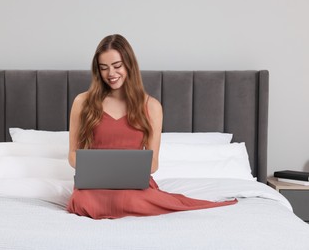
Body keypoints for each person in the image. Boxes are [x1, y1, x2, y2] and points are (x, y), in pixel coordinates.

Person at [67, 34, 236, 219]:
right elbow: (73, 155)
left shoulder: (152, 106)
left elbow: (153, 163)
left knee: (130, 199)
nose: (111, 74)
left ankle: (125, 204)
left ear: (129, 64)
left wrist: (122, 172)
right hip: (93, 187)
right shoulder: (82, 102)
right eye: (104, 68)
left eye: (117, 66)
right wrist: (98, 170)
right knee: (81, 200)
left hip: (134, 187)